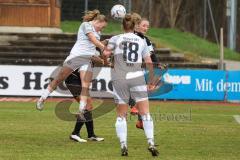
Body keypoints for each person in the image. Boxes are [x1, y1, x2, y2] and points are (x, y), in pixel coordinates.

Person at [104, 13, 159, 157]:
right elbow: (149, 62)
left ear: (122, 26)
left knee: (121, 115)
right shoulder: (141, 40)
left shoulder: (116, 38)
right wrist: (152, 81)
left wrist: (108, 58)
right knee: (145, 113)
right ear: (135, 26)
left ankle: (123, 144)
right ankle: (151, 142)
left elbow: (105, 53)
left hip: (120, 78)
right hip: (137, 77)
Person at [36, 10, 107, 113]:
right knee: (59, 78)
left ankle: (82, 108)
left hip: (87, 59)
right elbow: (93, 40)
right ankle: (42, 98)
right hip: (76, 57)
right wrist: (105, 48)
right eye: (102, 26)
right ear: (98, 21)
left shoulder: (98, 32)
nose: (102, 29)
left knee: (85, 84)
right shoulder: (86, 25)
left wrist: (105, 47)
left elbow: (92, 46)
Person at [65, 69, 104, 142]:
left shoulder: (92, 60)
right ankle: (75, 133)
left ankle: (91, 135)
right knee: (87, 106)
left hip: (76, 79)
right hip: (73, 79)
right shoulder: (89, 59)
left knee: (89, 107)